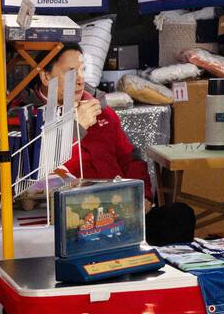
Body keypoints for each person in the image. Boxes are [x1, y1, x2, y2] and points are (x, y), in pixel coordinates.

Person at [35, 44, 153, 203]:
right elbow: (41, 175)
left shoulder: (101, 110)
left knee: (179, 214)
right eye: (71, 72)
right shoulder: (30, 120)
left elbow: (130, 160)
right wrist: (76, 129)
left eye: (82, 70)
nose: (80, 79)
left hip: (119, 206)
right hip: (73, 210)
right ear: (46, 77)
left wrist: (143, 196)